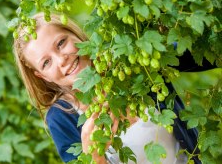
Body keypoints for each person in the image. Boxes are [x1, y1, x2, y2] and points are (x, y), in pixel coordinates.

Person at [13, 13, 201, 164]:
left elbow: (201, 54)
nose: (61, 60)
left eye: (61, 43)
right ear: (42, 76)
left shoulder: (127, 63)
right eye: (46, 63)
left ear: (75, 33)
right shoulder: (61, 118)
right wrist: (95, 157)